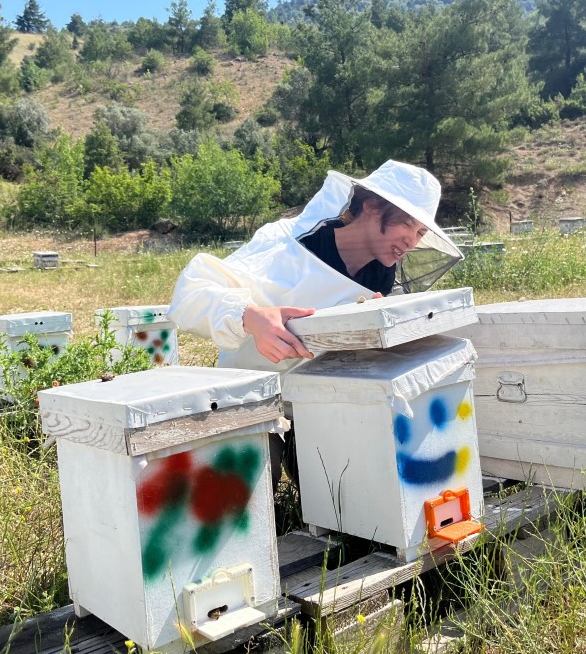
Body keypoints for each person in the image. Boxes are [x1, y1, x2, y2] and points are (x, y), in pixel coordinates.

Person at [167, 159, 463, 484]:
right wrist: (252, 317)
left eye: (420, 232)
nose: (413, 241)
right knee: (249, 492)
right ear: (371, 207)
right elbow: (190, 293)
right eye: (407, 225)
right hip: (248, 398)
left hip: (321, 399)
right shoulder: (286, 244)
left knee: (340, 490)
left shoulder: (382, 276)